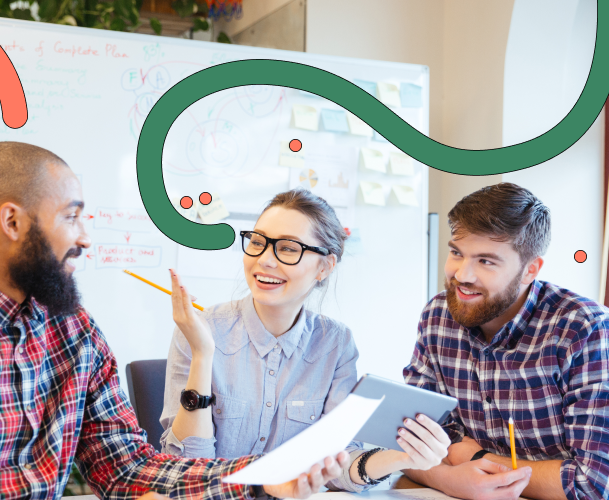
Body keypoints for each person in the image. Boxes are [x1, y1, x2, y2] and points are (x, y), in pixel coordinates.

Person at [0, 141, 349, 500]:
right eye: (72, 217)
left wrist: (263, 479)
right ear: (12, 222)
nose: (86, 237)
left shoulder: (74, 334)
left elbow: (127, 469)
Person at [160, 188, 452, 492]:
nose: (265, 260)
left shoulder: (336, 344)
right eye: (258, 243)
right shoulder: (200, 330)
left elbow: (337, 463)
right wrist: (203, 354)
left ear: (324, 267)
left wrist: (401, 458)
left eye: (287, 249)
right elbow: (187, 471)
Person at [402, 183, 609, 500]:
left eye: (486, 261)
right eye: (456, 253)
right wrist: (455, 480)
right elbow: (407, 443)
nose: (463, 275)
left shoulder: (589, 333)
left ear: (530, 269)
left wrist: (473, 459)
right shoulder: (439, 315)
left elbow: (596, 487)